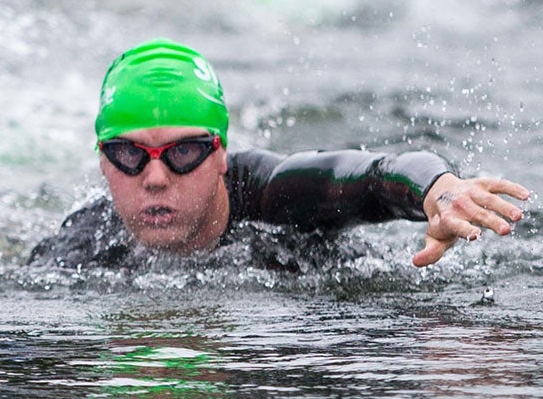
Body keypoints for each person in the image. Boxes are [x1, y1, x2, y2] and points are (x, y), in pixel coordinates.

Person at [31, 40, 527, 269]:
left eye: (183, 152)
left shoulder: (277, 195)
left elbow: (376, 175)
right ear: (102, 161)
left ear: (220, 154)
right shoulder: (82, 250)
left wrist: (441, 192)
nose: (156, 177)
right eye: (129, 155)